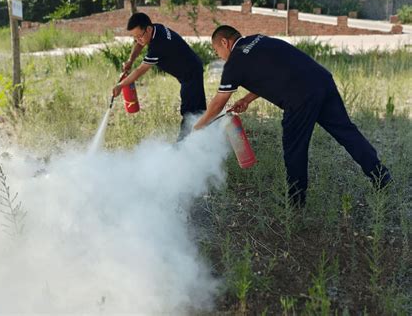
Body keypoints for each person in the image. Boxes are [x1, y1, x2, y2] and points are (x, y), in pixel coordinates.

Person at [194, 25, 392, 207]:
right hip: (322, 80)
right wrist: (247, 99)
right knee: (347, 132)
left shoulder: (234, 62)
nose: (219, 56)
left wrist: (198, 127)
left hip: (300, 97)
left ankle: (296, 202)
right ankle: (381, 176)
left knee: (294, 147)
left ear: (224, 42)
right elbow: (274, 72)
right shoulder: (259, 39)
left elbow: (218, 103)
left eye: (216, 51)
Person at [112, 12, 206, 141]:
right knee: (198, 109)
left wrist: (121, 85)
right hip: (190, 70)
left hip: (191, 74)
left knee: (190, 111)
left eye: (139, 36)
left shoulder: (159, 45)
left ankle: (183, 147)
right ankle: (205, 139)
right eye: (135, 37)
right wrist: (130, 60)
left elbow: (140, 70)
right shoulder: (155, 28)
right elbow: (140, 44)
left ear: (148, 29)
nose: (138, 40)